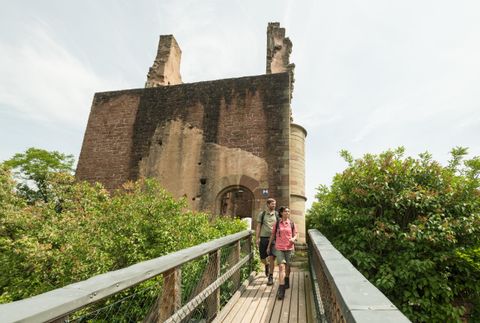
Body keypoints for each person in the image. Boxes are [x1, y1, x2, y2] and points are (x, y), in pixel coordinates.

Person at [267, 206, 297, 300]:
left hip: (289, 248)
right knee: (281, 267)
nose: (287, 213)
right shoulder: (277, 224)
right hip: (279, 248)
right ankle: (281, 289)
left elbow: (296, 233)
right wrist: (268, 246)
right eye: (285, 211)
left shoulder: (292, 223)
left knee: (288, 267)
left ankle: (287, 278)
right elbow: (273, 235)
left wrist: (294, 238)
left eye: (288, 211)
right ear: (281, 213)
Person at [255, 198, 278, 286]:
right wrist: (257, 238)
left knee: (272, 257)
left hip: (274, 239)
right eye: (272, 204)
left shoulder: (277, 215)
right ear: (268, 205)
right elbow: (258, 227)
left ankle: (270, 277)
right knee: (262, 258)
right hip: (263, 238)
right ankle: (266, 264)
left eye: (275, 204)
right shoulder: (262, 214)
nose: (274, 205)